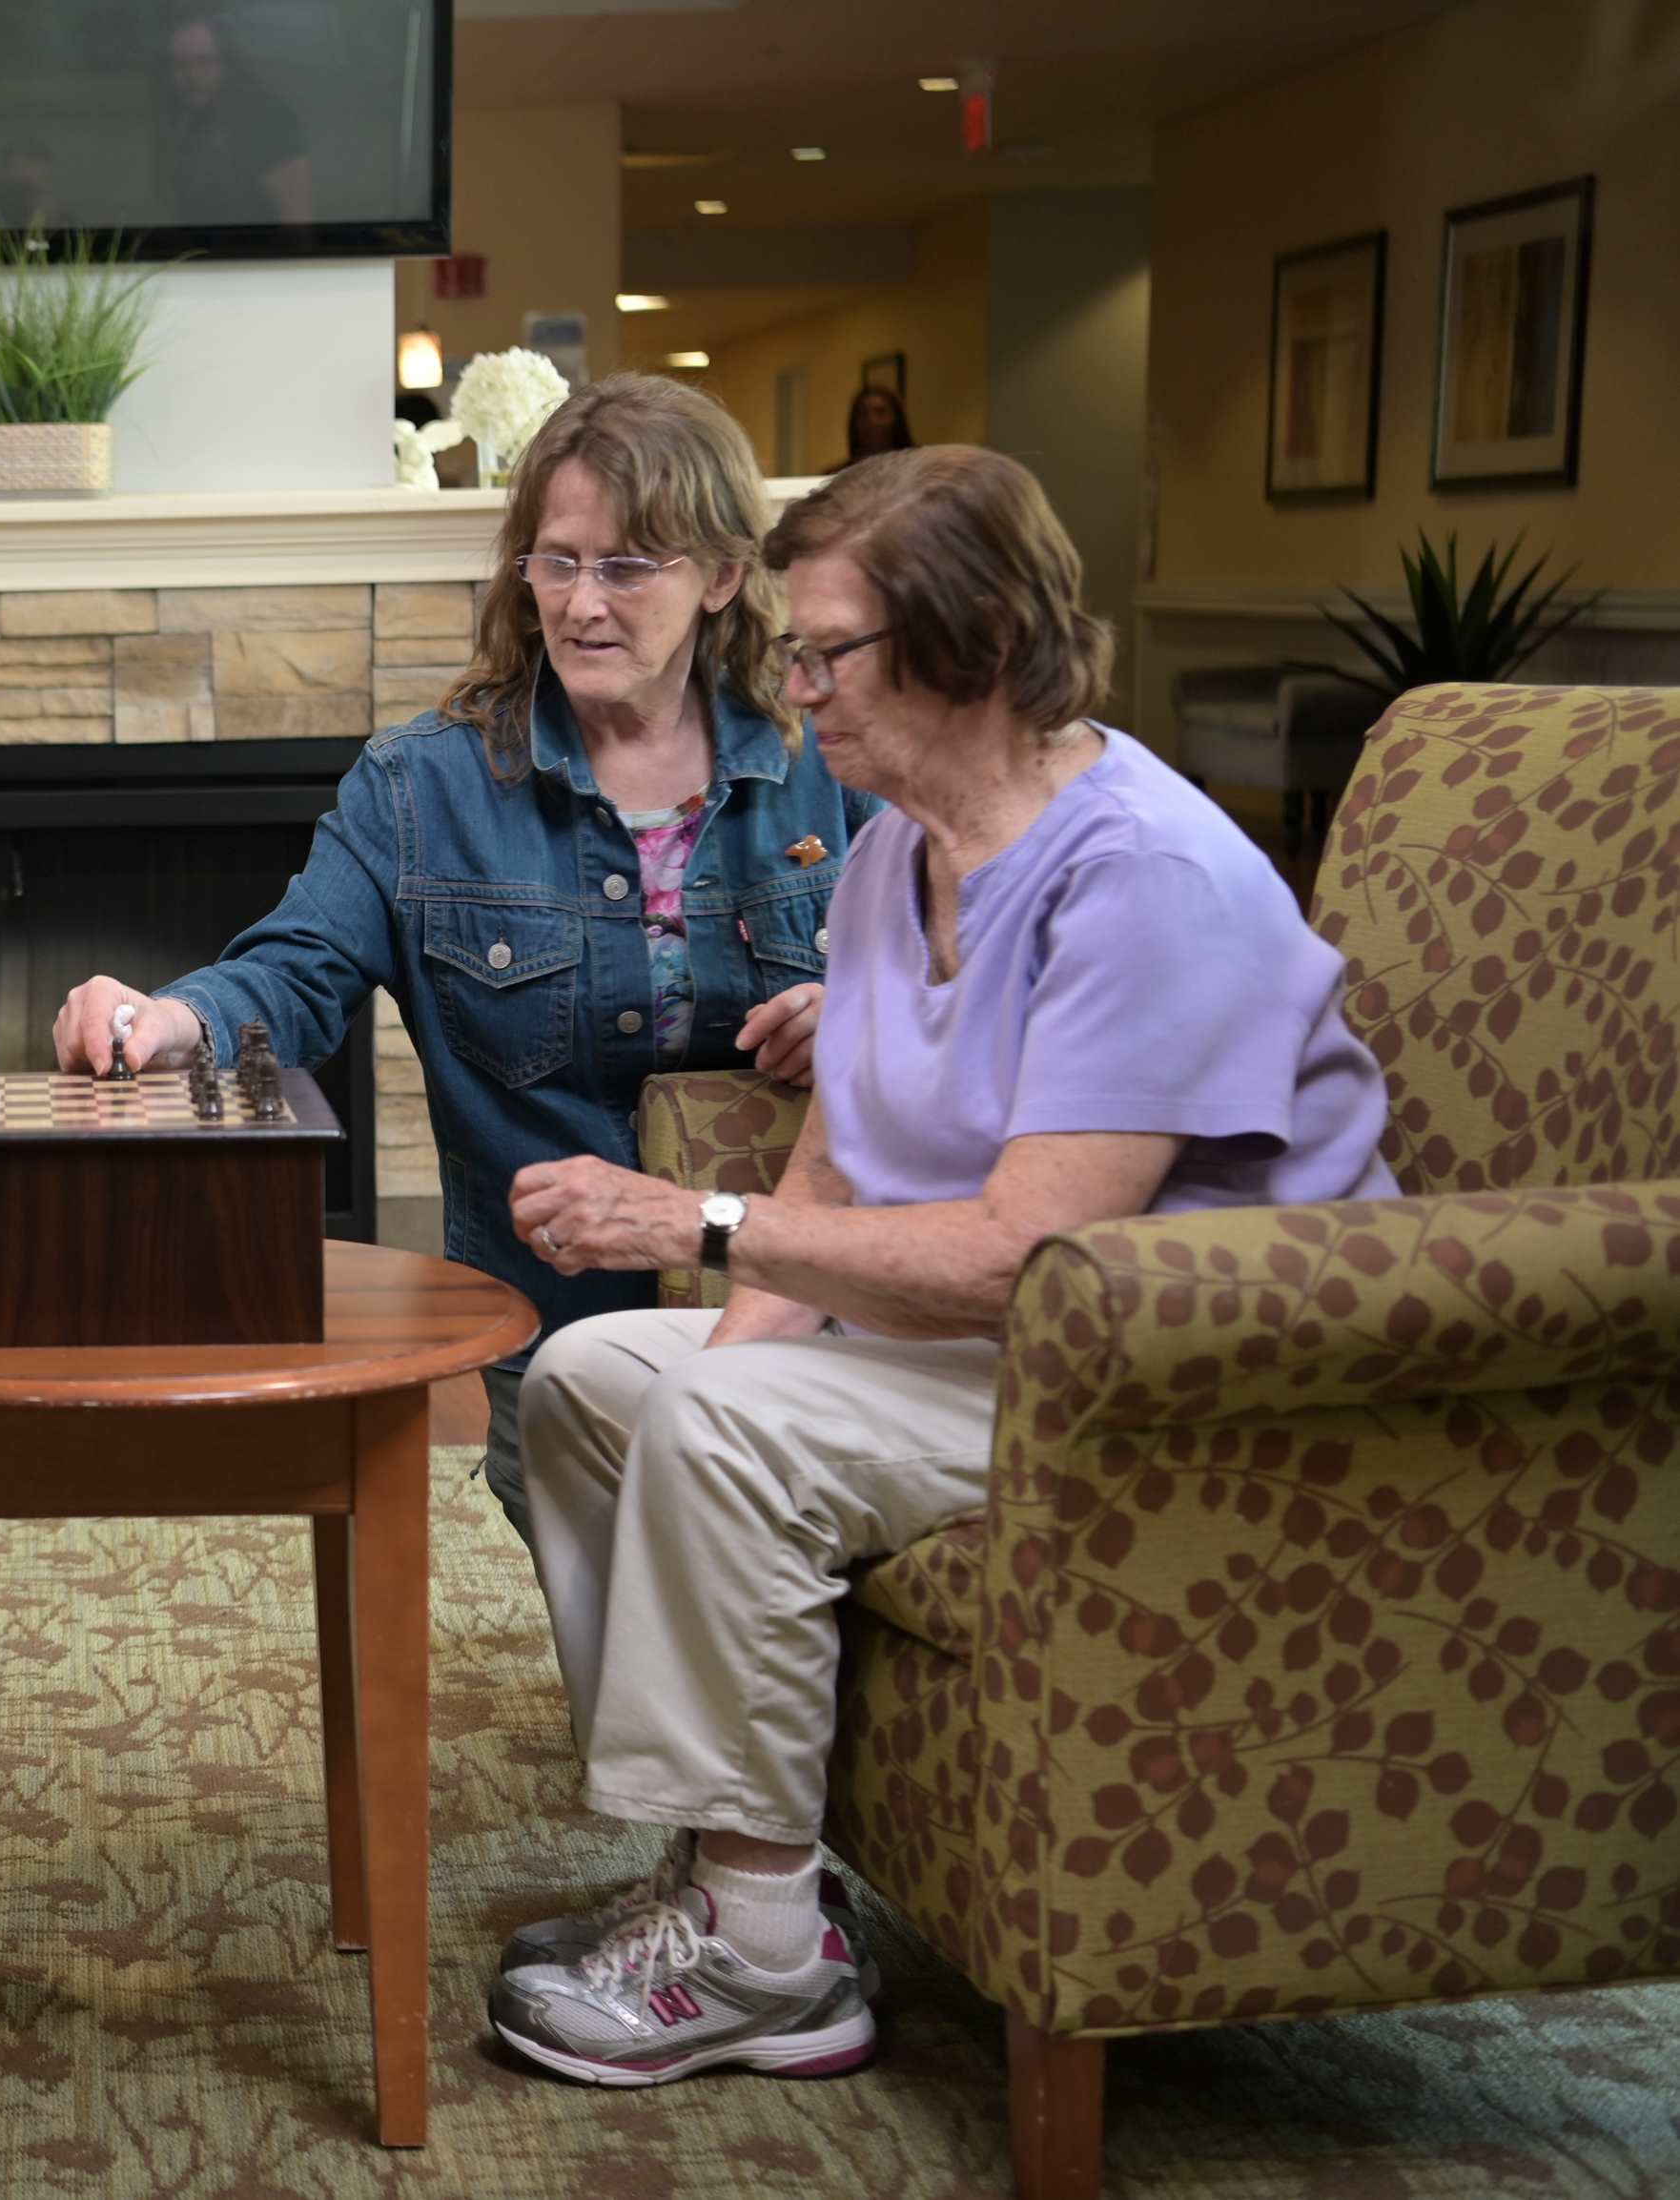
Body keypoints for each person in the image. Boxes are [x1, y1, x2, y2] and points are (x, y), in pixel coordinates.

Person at [487, 444, 1397, 2087]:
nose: (793, 690)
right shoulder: (896, 852)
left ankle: (765, 1964)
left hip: (1180, 1373)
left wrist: (694, 1225)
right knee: (591, 1381)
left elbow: (1025, 1257)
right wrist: (730, 1349)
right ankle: (724, 1865)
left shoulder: (1142, 877)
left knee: (719, 1424)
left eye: (825, 653)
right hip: (1001, 1351)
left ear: (969, 647)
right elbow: (839, 1152)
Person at [54, 374, 874, 1544]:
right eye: (556, 562)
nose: (581, 604)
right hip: (555, 1325)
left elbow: (962, 979)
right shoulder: (420, 784)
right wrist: (169, 1019)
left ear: (721, 576)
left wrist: (862, 1010)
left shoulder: (829, 762)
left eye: (626, 567)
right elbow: (292, 969)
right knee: (621, 1636)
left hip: (805, 1301)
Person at [159, 13, 312, 225]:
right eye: (180, 65)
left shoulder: (267, 117)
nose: (191, 76)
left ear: (227, 62)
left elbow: (296, 218)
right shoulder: (186, 121)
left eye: (204, 61)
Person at [827, 383, 914, 473]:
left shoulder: (915, 469)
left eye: (880, 412)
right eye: (863, 414)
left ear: (896, 419)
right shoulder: (835, 476)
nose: (872, 421)